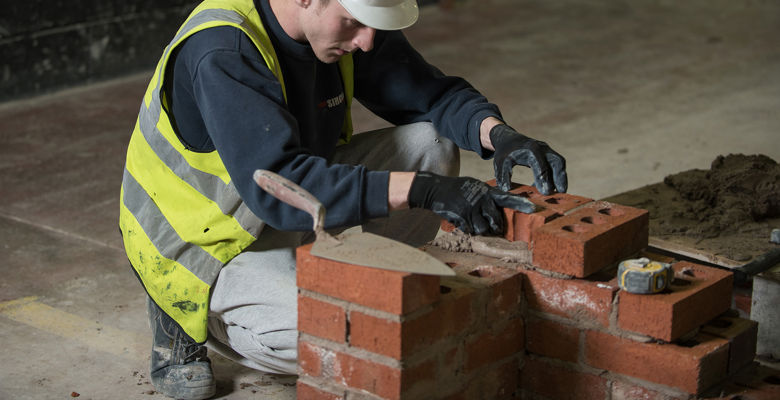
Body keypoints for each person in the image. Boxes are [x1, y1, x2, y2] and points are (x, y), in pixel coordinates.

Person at [119, 0, 567, 398]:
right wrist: (422, 192)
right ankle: (177, 313)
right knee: (335, 330)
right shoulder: (224, 51)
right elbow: (277, 186)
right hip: (204, 245)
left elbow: (431, 95)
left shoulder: (348, 30)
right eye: (354, 22)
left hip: (295, 200)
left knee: (431, 145)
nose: (369, 41)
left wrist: (500, 136)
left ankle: (345, 277)